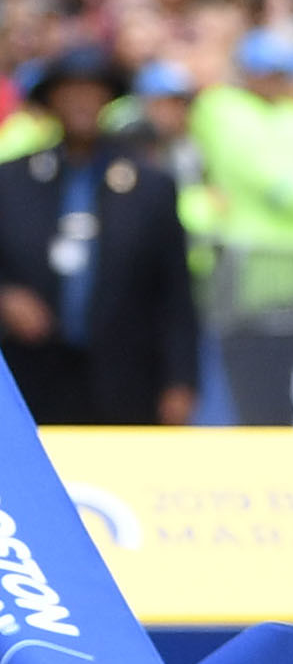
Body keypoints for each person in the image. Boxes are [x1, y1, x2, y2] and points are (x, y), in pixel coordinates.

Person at [0, 43, 196, 424]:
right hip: (30, 374)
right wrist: (4, 298)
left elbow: (175, 292)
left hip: (125, 377)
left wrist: (181, 380)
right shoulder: (11, 182)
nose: (81, 102)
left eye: (91, 91)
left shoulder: (149, 186)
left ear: (109, 99)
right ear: (51, 100)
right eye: (70, 91)